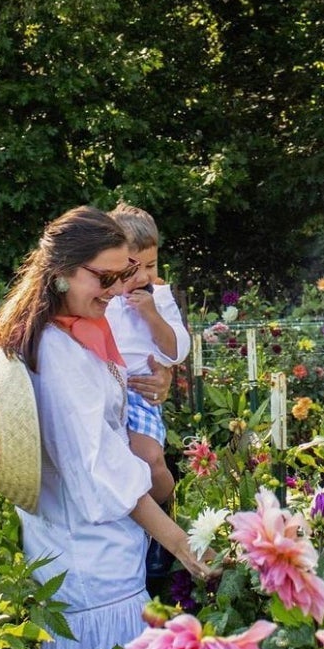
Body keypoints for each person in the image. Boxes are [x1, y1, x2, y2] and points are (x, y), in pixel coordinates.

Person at [0, 206, 214, 649]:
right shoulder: (60, 353)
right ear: (61, 271)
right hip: (86, 547)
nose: (120, 291)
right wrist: (180, 541)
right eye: (107, 277)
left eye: (127, 277)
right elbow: (109, 477)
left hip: (85, 543)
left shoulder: (66, 329)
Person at [106, 202, 190, 508]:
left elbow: (178, 350)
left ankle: (168, 511)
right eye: (132, 267)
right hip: (105, 392)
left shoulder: (161, 297)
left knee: (150, 458)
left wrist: (152, 316)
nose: (143, 276)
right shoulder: (103, 297)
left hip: (140, 392)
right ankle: (144, 525)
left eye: (151, 265)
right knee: (120, 466)